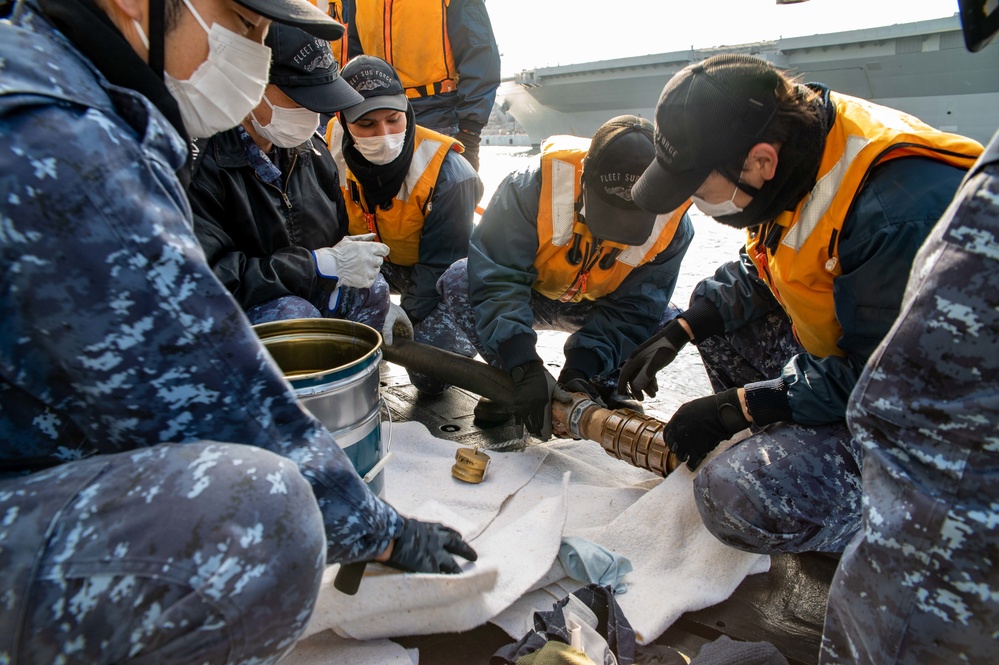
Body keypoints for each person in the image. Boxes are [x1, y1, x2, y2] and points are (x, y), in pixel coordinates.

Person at [0, 0, 474, 661]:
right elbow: (203, 388)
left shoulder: (79, 98)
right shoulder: (55, 134)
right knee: (257, 509)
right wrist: (381, 532)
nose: (251, 59)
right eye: (247, 28)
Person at [619, 53, 983, 556]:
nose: (694, 205)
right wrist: (686, 326)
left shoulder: (893, 212)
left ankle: (909, 534)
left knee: (734, 494)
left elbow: (885, 380)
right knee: (718, 328)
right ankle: (805, 447)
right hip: (858, 365)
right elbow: (772, 262)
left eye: (699, 189)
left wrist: (745, 405)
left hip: (936, 425)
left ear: (761, 161)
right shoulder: (801, 146)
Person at [819, 1, 999, 661]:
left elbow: (911, 411)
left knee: (918, 431)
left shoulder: (891, 206)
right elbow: (763, 272)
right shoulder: (798, 194)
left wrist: (761, 400)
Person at [441, 115, 694, 439]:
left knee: (667, 321)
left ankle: (600, 385)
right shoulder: (528, 186)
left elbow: (636, 306)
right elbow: (498, 281)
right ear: (584, 179)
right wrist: (523, 362)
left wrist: (580, 368)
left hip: (599, 304)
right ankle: (509, 381)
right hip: (534, 295)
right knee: (460, 279)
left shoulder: (673, 227)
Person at [189, 22, 393, 330]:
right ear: (250, 85)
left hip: (303, 292)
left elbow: (336, 240)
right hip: (230, 314)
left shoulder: (314, 154)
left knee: (372, 288)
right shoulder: (201, 166)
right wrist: (315, 265)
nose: (310, 115)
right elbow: (207, 282)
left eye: (319, 103)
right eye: (298, 101)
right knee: (293, 316)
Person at [327, 54, 483, 395]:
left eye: (393, 120)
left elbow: (441, 264)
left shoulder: (451, 175)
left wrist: (402, 316)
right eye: (366, 125)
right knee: (343, 345)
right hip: (375, 264)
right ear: (343, 122)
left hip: (433, 276)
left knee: (427, 376)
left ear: (407, 113)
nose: (383, 135)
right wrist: (371, 300)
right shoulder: (327, 151)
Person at [341, 0, 500, 171]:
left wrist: (470, 132)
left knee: (449, 189)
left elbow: (479, 53)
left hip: (439, 116)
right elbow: (356, 57)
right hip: (377, 116)